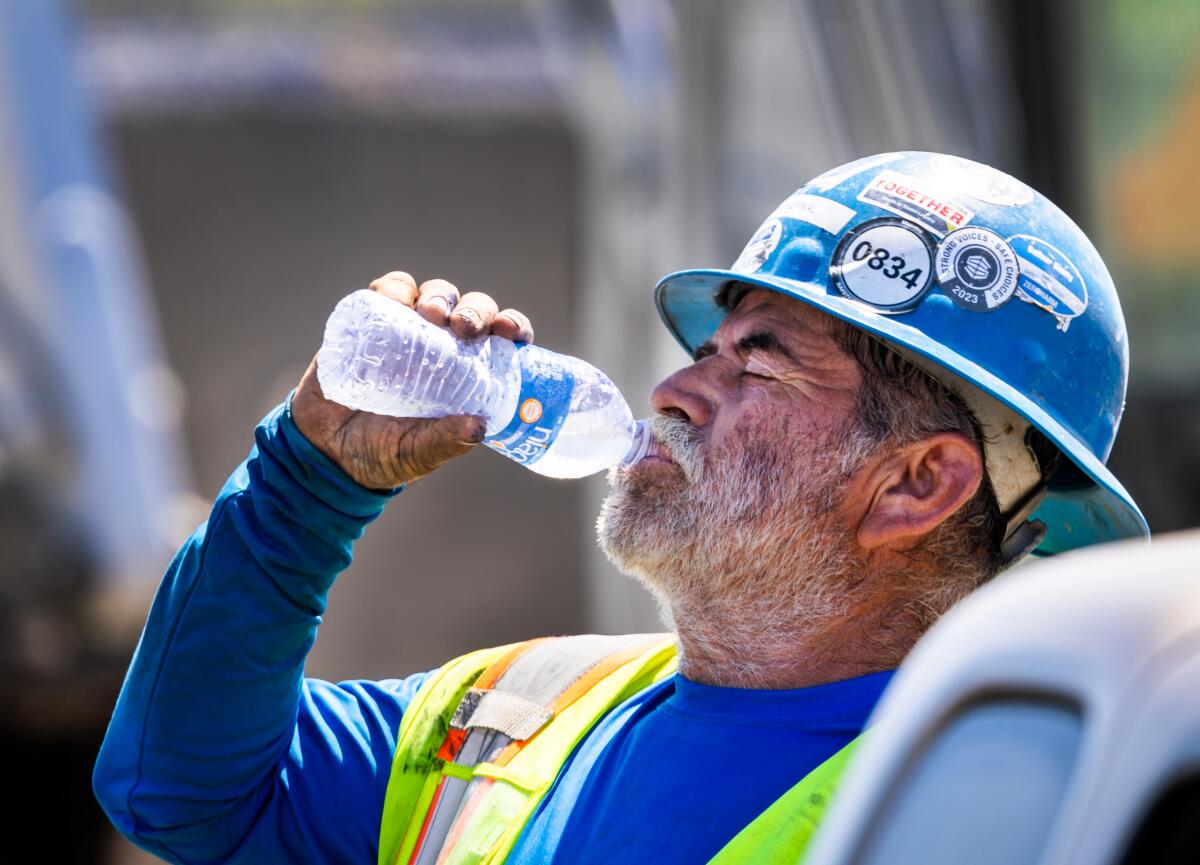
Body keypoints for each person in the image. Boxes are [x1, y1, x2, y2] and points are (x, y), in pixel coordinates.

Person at [93, 152, 1148, 865]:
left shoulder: (1004, 812)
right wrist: (309, 479)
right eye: (707, 353)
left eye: (760, 368)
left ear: (916, 485)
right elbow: (174, 788)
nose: (675, 394)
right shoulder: (519, 708)